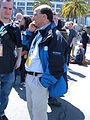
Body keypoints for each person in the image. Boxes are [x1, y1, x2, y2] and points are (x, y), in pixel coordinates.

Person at [25, 4, 68, 120]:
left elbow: (57, 65)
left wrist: (43, 83)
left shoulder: (55, 36)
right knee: (31, 110)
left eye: (35, 14)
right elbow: (25, 47)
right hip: (29, 78)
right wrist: (29, 32)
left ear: (44, 17)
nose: (32, 17)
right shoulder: (38, 32)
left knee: (39, 115)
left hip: (39, 80)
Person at [0, 0, 22, 120]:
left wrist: (19, 59)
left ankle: (1, 113)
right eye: (5, 8)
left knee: (5, 95)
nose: (8, 11)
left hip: (9, 69)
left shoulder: (15, 28)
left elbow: (19, 46)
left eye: (10, 8)